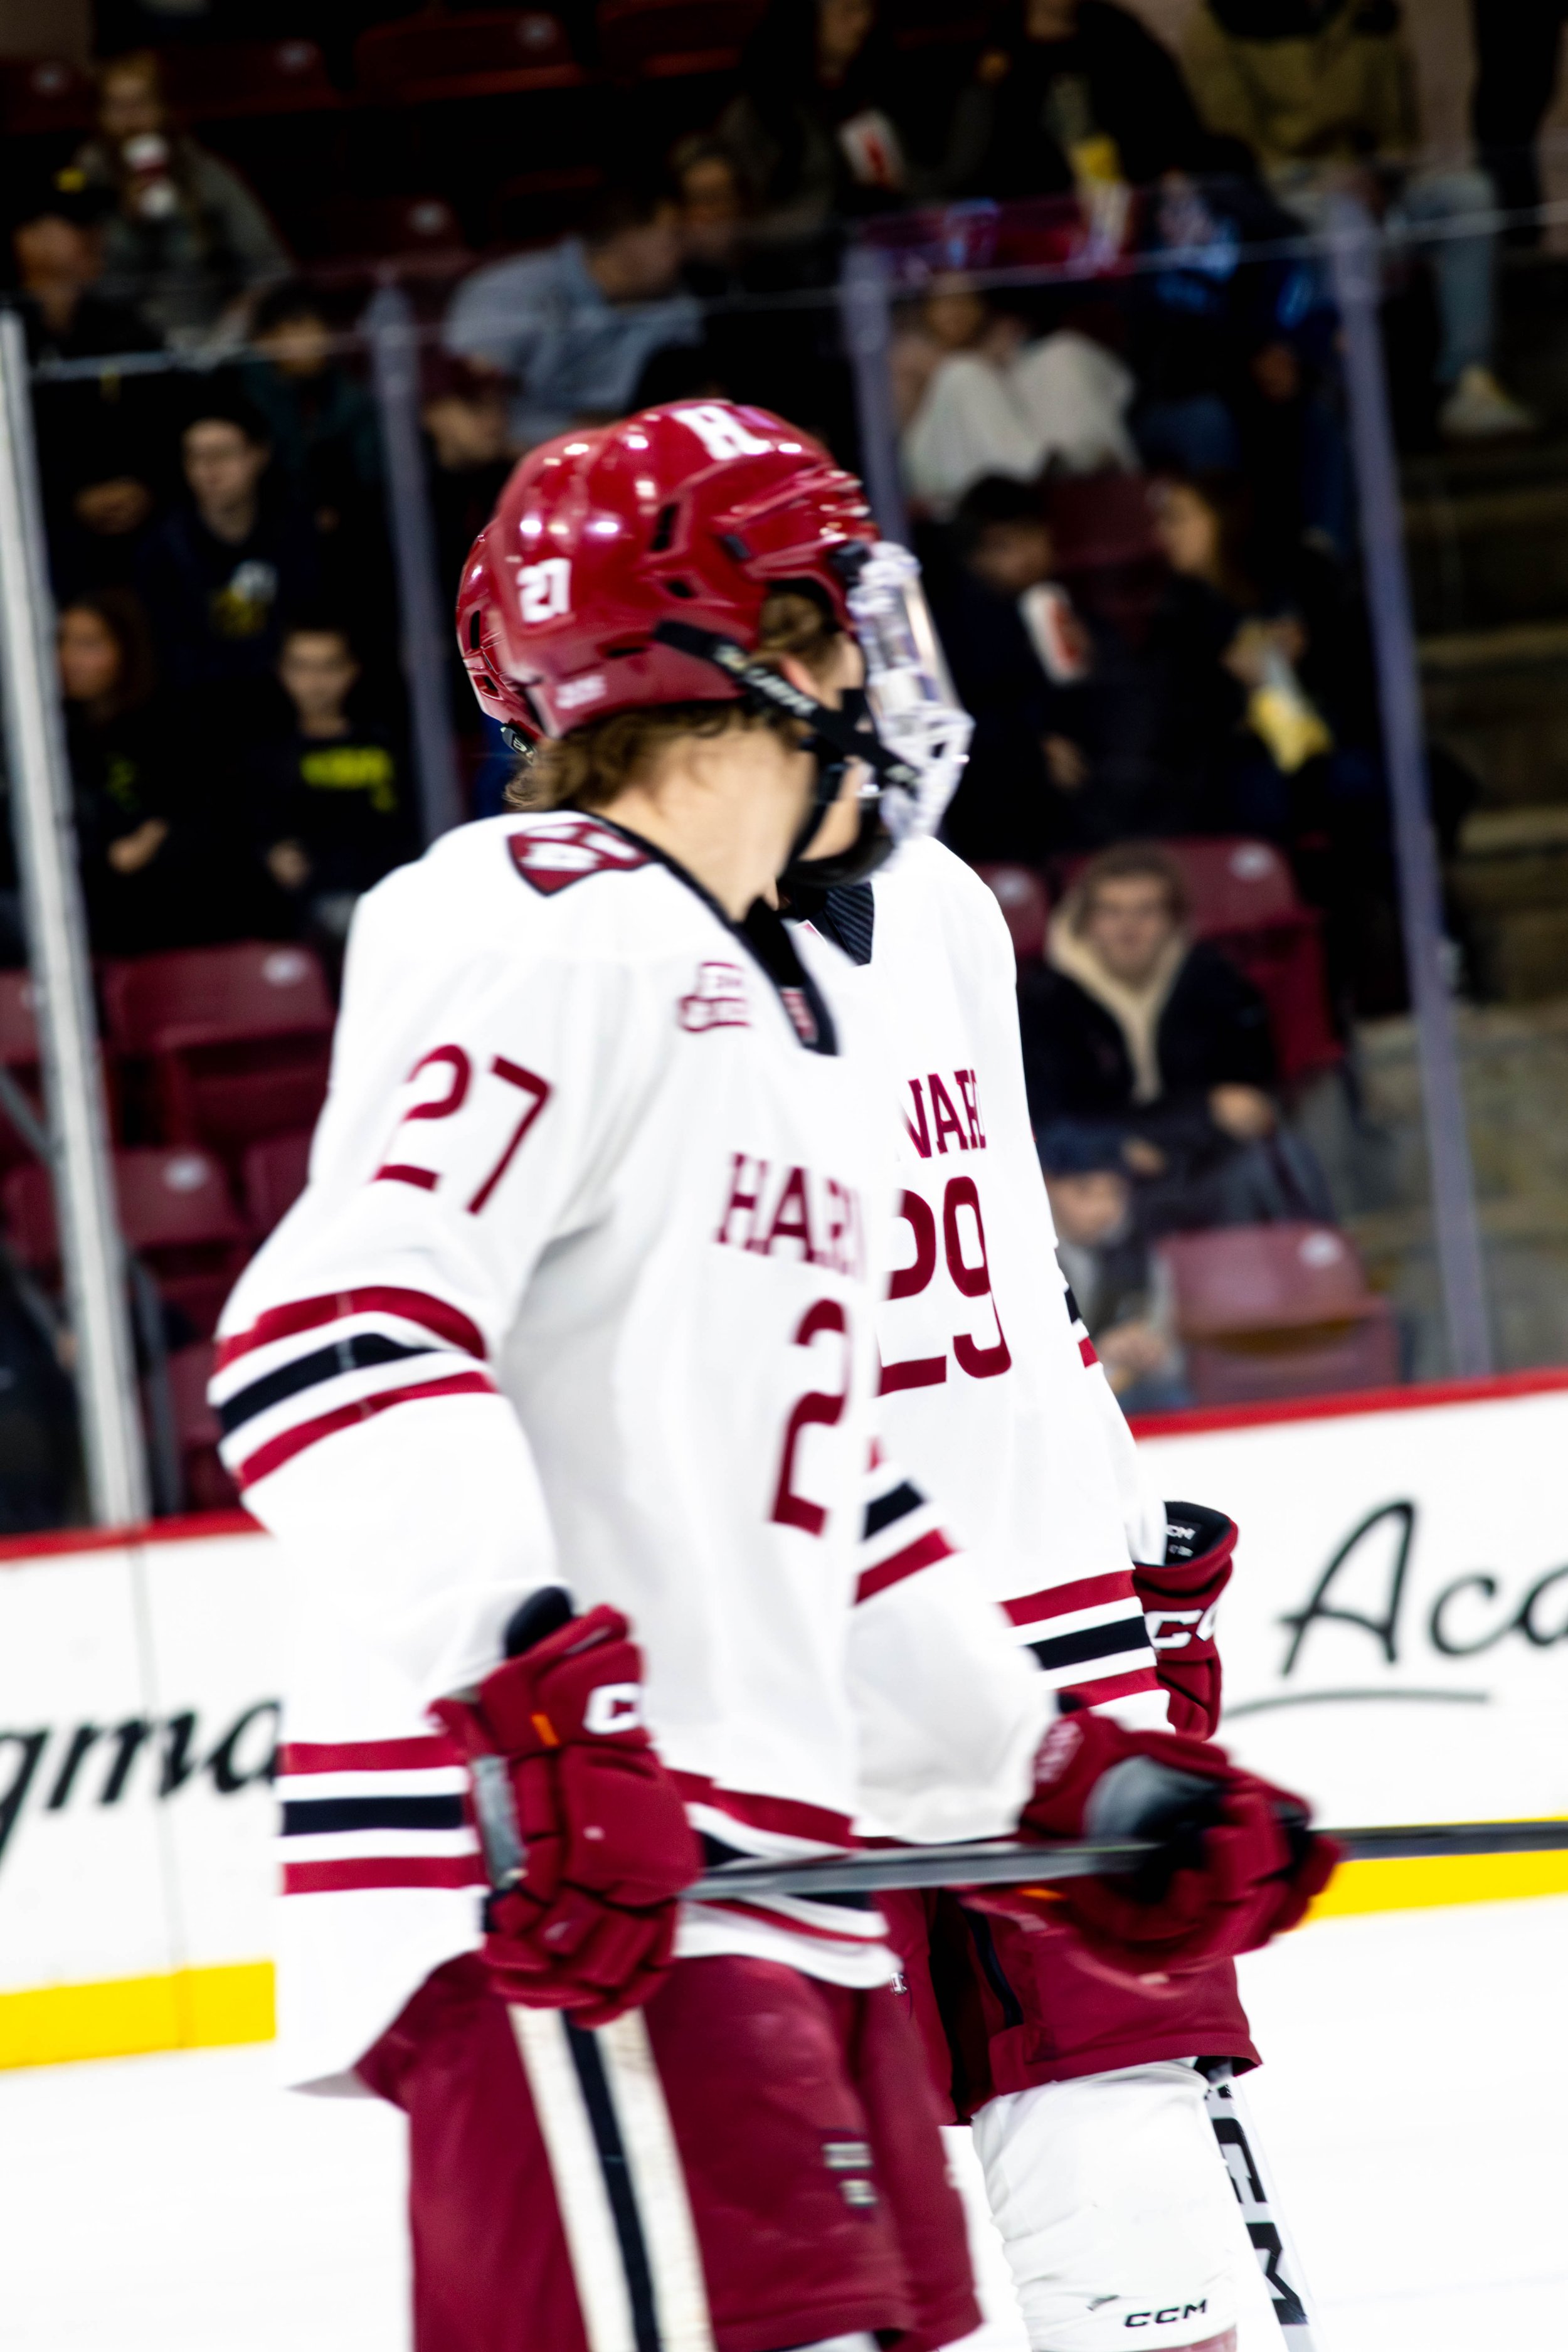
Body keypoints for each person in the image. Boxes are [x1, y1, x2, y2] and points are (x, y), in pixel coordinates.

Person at [209, 402, 1328, 2352]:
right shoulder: (535, 921)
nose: (880, 682)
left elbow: (815, 1499)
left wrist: (1055, 1760)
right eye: (834, 627)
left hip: (753, 1868)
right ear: (725, 654)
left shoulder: (764, 1007)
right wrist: (539, 1713)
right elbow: (329, 1337)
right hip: (580, 1888)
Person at [781, 807, 1276, 2350]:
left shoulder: (934, 891)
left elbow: (1016, 1258)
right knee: (805, 2279)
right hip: (792, 1681)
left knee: (1150, 2270)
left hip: (1046, 1644)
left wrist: (1128, 1552)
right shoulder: (584, 938)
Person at [1183, 0, 1535, 442]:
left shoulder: (1370, 11)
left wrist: (1381, 175)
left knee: (1469, 196)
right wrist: (1318, 180)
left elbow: (1399, 133)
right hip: (1284, 202)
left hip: (1371, 189)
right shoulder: (1218, 25)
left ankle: (1469, 382)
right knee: (1339, 224)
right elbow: (1230, 153)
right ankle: (1348, 395)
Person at [1019, 843, 1319, 1231]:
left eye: (1146, 911)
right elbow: (1040, 1122)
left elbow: (1250, 1099)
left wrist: (1171, 1129)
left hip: (1206, 1161)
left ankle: (1316, 1262)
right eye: (1111, 912)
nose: (1128, 928)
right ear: (1085, 920)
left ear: (1174, 919)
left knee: (1280, 1159)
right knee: (1075, 1200)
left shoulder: (1212, 978)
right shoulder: (1044, 999)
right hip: (1102, 1173)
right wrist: (1118, 1144)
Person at [442, 184, 702, 450]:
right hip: (514, 460)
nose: (684, 249)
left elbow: (685, 405)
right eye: (674, 236)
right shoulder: (508, 292)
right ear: (624, 236)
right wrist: (564, 437)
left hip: (630, 454)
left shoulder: (679, 304)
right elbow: (467, 407)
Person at [5, 164, 166, 591]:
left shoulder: (126, 328)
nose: (96, 237)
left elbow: (170, 417)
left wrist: (145, 483)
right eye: (77, 225)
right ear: (29, 238)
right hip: (34, 545)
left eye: (97, 224)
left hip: (136, 543)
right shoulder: (9, 335)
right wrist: (69, 498)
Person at [56, 587, 239, 955]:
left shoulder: (171, 726)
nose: (69, 659)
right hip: (80, 906)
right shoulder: (49, 732)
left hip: (167, 910)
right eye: (62, 642)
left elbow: (201, 814)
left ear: (127, 649)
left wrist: (149, 842)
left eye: (89, 645)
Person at [73, 49, 290, 347]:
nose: (131, 120)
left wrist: (234, 325)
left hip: (202, 340)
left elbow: (270, 265)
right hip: (116, 348)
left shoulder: (201, 174)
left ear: (164, 108)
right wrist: (129, 222)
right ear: (99, 115)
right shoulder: (82, 182)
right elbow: (77, 294)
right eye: (117, 107)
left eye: (141, 104)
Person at [135, 388, 321, 722]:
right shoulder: (162, 549)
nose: (208, 470)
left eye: (222, 455)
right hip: (199, 714)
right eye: (195, 457)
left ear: (259, 455)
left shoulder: (297, 532)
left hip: (290, 706)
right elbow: (168, 653)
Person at [941, 0, 1228, 204]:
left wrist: (1173, 179)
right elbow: (982, 169)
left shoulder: (1119, 36)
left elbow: (1175, 124)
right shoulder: (996, 59)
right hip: (1045, 228)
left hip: (1142, 211)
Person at [898, 279, 1138, 515]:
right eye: (945, 302)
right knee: (963, 373)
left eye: (966, 300)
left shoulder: (1002, 337)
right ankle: (1037, 470)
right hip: (943, 467)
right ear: (925, 310)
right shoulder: (905, 355)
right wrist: (946, 365)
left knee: (1060, 354)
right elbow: (902, 435)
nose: (957, 311)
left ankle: (1096, 464)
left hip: (1034, 451)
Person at [246, 620, 411, 947]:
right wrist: (271, 854)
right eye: (302, 667)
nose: (315, 682)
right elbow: (252, 833)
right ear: (282, 671)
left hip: (392, 901)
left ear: (351, 670)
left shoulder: (390, 745)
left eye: (329, 667)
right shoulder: (264, 757)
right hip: (309, 918)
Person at [718, 0, 914, 240]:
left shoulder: (883, 91)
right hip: (796, 255)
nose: (863, 23)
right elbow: (741, 224)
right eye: (848, 11)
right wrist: (833, 211)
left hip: (887, 243)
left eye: (868, 10)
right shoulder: (757, 112)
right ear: (806, 17)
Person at [1039, 1123, 1190, 1412]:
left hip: (1138, 1394)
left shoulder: (1140, 1253)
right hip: (1064, 1408)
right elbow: (1035, 1373)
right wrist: (1099, 1355)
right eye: (1084, 1191)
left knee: (1170, 1396)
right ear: (1048, 1186)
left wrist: (1148, 1351)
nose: (1102, 1208)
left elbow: (1171, 1358)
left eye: (1114, 1192)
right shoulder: (1032, 1260)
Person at [240, 280, 383, 532]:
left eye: (318, 330)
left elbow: (368, 470)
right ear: (266, 340)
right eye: (297, 331)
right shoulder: (244, 394)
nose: (313, 342)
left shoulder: (347, 396)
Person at [1471, 0, 1567, 241]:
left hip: (1513, 90)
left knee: (1510, 172)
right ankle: (1520, 236)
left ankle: (1521, 237)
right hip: (1510, 89)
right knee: (1509, 173)